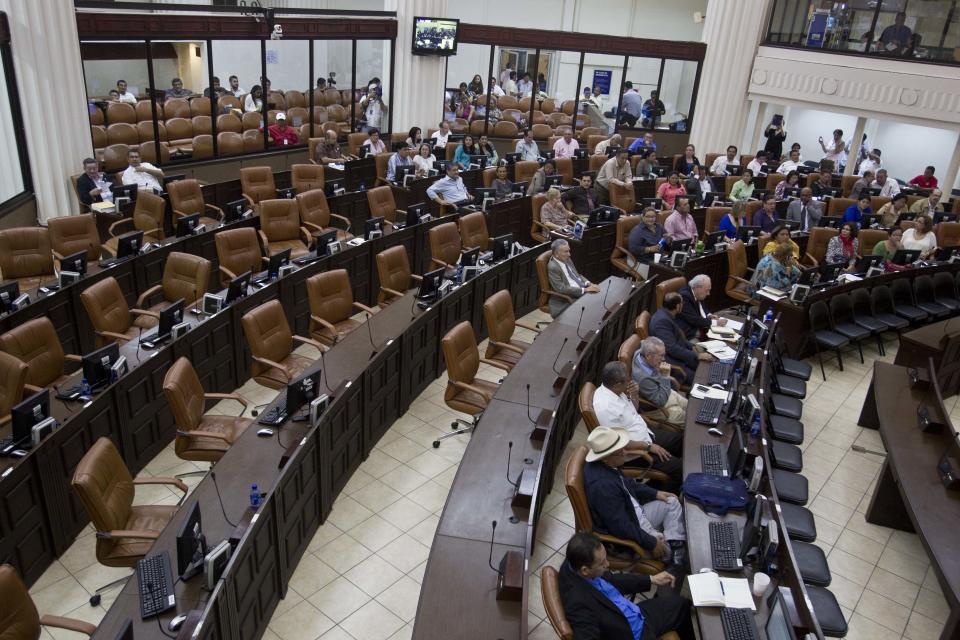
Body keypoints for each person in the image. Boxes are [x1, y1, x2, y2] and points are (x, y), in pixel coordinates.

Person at [559, 534, 695, 640]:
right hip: (630, 633)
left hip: (636, 614)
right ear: (585, 570)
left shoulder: (573, 561)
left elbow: (612, 580)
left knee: (682, 605)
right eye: (601, 563)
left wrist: (651, 579)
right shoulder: (577, 602)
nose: (607, 565)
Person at [593, 362, 683, 493]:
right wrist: (649, 447)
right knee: (679, 469)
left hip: (647, 434)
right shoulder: (605, 408)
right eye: (627, 380)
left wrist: (634, 395)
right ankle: (654, 495)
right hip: (636, 452)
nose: (630, 381)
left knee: (679, 441)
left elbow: (633, 411)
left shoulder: (615, 390)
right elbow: (619, 443)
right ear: (617, 384)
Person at [650, 292, 712, 383]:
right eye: (682, 303)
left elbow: (679, 337)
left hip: (681, 355)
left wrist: (692, 347)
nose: (683, 305)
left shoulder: (666, 314)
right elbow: (672, 349)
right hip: (674, 363)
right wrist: (698, 355)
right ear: (678, 306)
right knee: (703, 379)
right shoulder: (662, 321)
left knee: (709, 366)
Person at [632, 337, 688, 427]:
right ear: (648, 356)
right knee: (689, 419)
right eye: (661, 355)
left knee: (691, 407)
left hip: (665, 391)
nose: (663, 359)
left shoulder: (640, 351)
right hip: (660, 407)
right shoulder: (643, 379)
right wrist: (665, 377)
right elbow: (661, 401)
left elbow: (643, 341)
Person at [546, 238, 599, 316]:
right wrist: (585, 290)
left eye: (569, 251)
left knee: (600, 297)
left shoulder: (566, 258)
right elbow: (561, 288)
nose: (569, 254)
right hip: (568, 297)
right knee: (593, 308)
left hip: (581, 288)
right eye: (566, 251)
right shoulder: (553, 267)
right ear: (556, 254)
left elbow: (577, 275)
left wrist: (589, 283)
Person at [677, 274, 725, 340]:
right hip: (688, 330)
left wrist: (709, 315)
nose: (708, 293)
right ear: (697, 287)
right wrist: (715, 322)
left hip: (697, 324)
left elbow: (702, 307)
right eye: (707, 290)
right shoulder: (684, 296)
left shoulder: (697, 293)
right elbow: (694, 319)